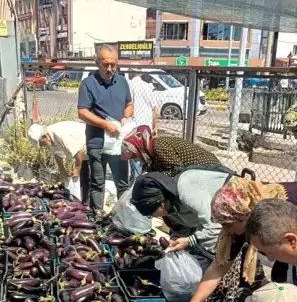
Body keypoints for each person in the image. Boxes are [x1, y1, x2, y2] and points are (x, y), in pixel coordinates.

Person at [130, 166, 231, 269]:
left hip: (235, 205)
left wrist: (189, 241)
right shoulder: (172, 203)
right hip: (223, 216)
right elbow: (187, 227)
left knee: (209, 251)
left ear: (161, 204)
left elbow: (215, 227)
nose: (153, 217)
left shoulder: (186, 191)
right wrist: (176, 237)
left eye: (151, 214)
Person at [77, 45, 133, 210]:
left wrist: (125, 117)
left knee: (122, 183)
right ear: (97, 63)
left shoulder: (122, 82)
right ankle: (97, 219)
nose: (109, 69)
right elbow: (82, 112)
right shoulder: (88, 84)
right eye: (105, 64)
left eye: (113, 65)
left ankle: (123, 216)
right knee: (97, 183)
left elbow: (129, 105)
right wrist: (105, 125)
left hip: (118, 143)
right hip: (97, 142)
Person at [28, 121, 90, 203]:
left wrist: (77, 168)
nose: (42, 146)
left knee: (90, 181)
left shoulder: (60, 134)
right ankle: (85, 203)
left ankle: (92, 208)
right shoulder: (50, 140)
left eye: (41, 143)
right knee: (82, 183)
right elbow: (57, 154)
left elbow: (79, 151)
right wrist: (62, 170)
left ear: (45, 137)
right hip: (83, 155)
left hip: (93, 147)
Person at [122, 126, 221, 176]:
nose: (135, 161)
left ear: (140, 149)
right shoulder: (152, 152)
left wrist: (155, 177)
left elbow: (177, 170)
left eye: (134, 156)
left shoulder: (158, 147)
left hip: (209, 170)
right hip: (197, 173)